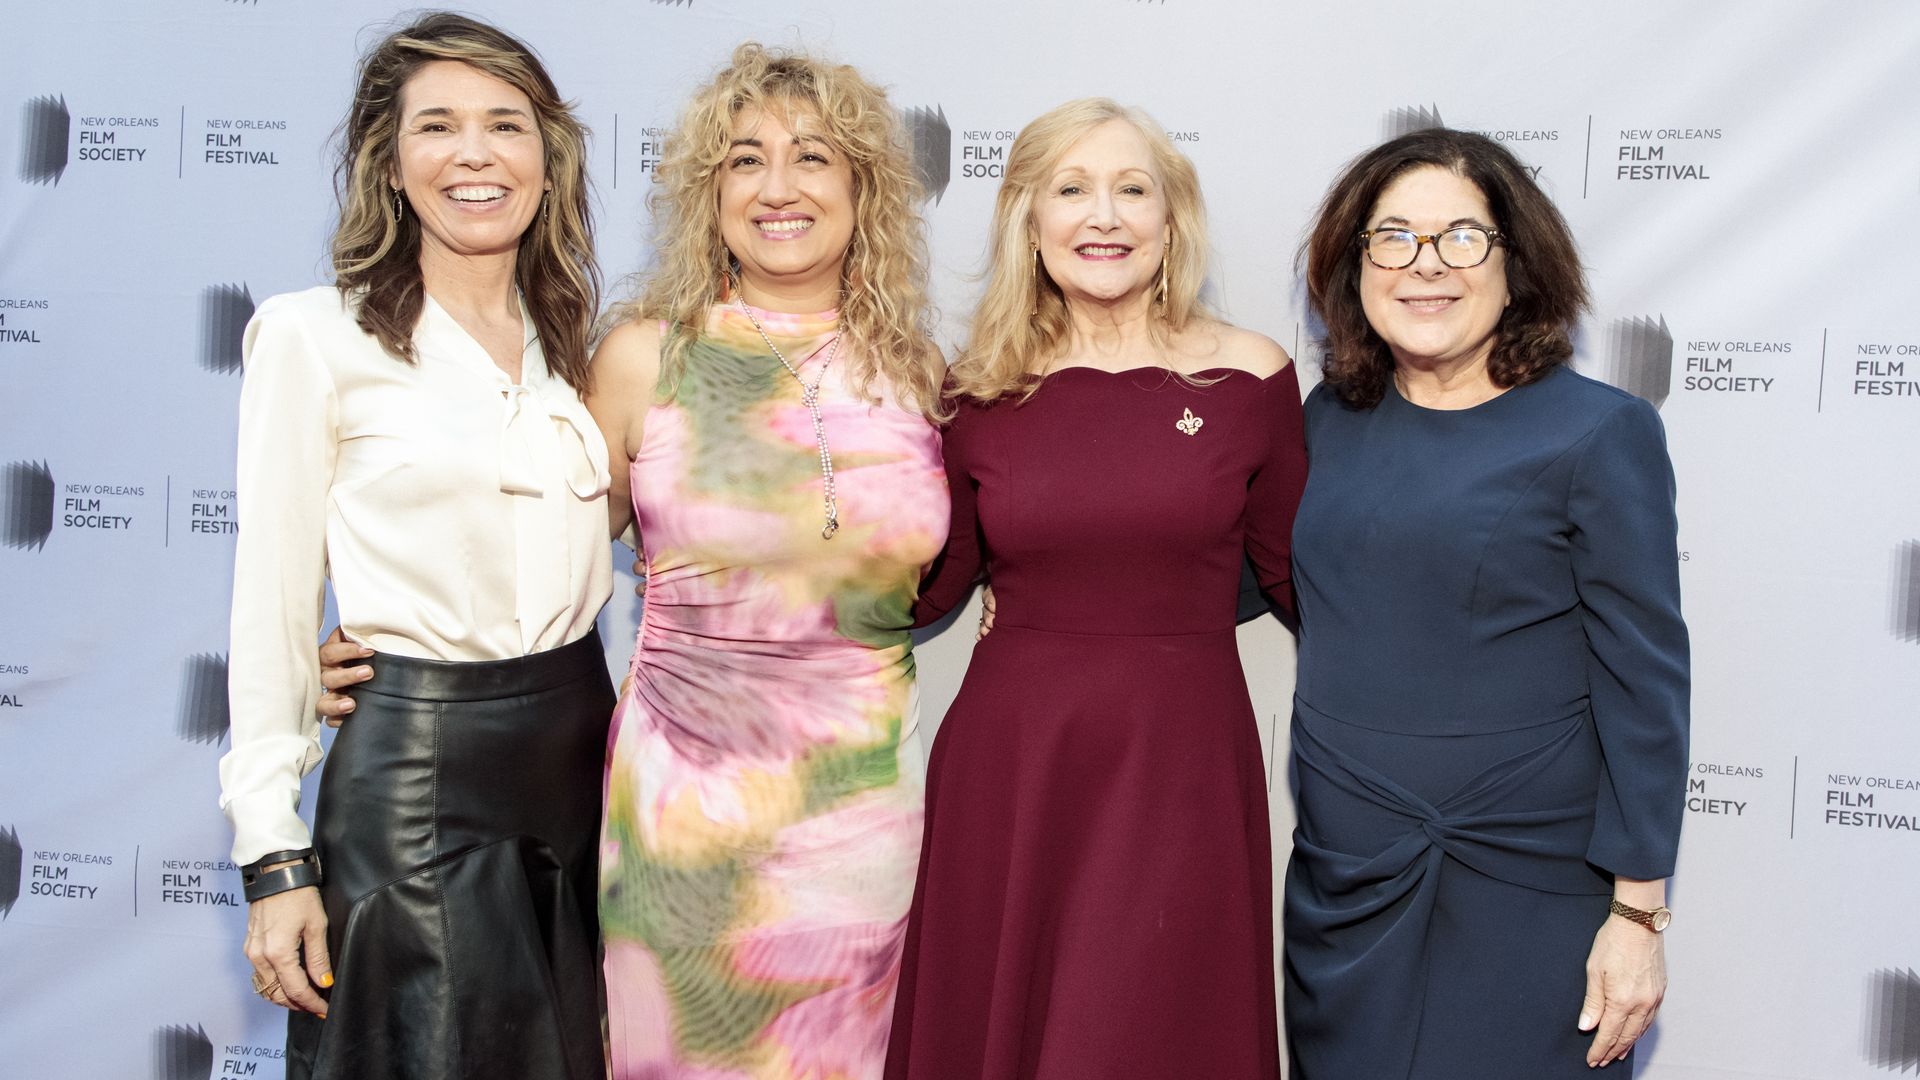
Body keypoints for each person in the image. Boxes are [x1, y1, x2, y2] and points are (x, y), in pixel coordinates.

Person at [220, 14, 611, 1079]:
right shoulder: (314, 336)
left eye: (506, 125)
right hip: (417, 788)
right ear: (391, 166)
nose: (476, 154)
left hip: (584, 776)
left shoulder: (578, 342)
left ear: (547, 158)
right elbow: (268, 605)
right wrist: (271, 856)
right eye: (437, 127)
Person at [885, 98, 1307, 1080]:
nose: (1102, 216)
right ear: (1029, 222)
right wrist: (782, 541)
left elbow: (1296, 574)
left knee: (1147, 1026)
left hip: (1180, 766)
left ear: (1173, 219)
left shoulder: (1251, 379)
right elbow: (930, 586)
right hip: (1015, 766)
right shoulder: (975, 391)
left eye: (1131, 189)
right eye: (1069, 190)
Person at [1285, 127, 1690, 1078]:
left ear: (1517, 264)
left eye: (1462, 238)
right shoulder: (1328, 419)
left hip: (1527, 884)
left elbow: (1645, 684)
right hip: (1345, 882)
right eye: (1393, 238)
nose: (1426, 267)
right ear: (1356, 266)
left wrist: (1637, 912)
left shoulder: (1601, 433)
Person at [583, 44, 949, 1079]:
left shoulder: (920, 374)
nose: (779, 188)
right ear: (710, 193)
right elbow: (546, 569)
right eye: (746, 161)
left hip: (862, 826)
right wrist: (390, 644)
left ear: (862, 186)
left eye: (813, 157)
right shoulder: (644, 358)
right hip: (683, 826)